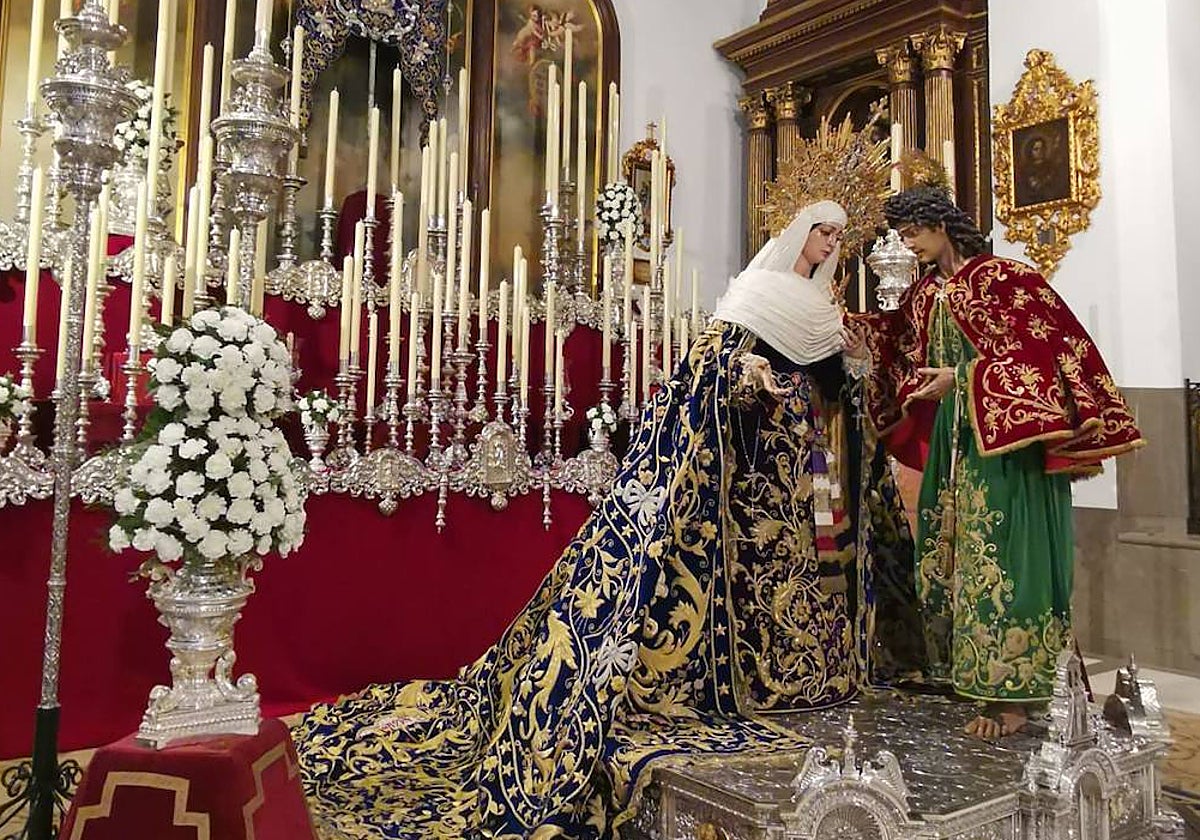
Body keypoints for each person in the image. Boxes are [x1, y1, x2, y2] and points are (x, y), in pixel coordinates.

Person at [292, 192, 924, 837]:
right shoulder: (758, 289)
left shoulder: (825, 307)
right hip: (744, 467)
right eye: (821, 234)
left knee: (797, 571)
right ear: (798, 234)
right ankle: (753, 683)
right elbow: (708, 362)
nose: (828, 248)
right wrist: (748, 372)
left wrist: (852, 365)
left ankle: (805, 675)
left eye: (836, 240)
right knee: (746, 576)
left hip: (800, 468)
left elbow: (840, 382)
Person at [851, 185, 1143, 740]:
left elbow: (1039, 361)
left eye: (913, 230)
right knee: (956, 563)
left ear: (942, 224)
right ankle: (969, 678)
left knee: (1008, 565)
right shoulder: (929, 291)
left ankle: (1014, 698)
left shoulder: (1006, 280)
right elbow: (898, 343)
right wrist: (846, 329)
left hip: (1008, 452)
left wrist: (959, 379)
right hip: (957, 447)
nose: (907, 243)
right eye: (903, 234)